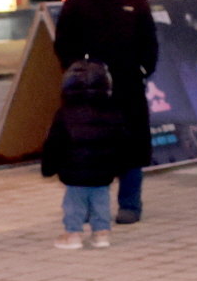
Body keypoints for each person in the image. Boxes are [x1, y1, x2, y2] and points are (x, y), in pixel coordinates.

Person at [54, 0, 159, 224]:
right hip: (91, 92)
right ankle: (90, 208)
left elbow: (149, 42)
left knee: (132, 146)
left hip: (128, 87)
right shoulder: (77, 2)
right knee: (90, 149)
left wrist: (142, 69)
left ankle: (130, 203)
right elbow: (63, 44)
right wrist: (78, 73)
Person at [41, 57, 135, 247]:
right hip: (103, 171)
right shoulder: (112, 111)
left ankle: (73, 234)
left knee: (74, 204)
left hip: (74, 170)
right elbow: (122, 141)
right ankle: (102, 233)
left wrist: (48, 167)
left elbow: (54, 143)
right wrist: (122, 167)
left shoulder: (64, 113)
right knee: (101, 201)